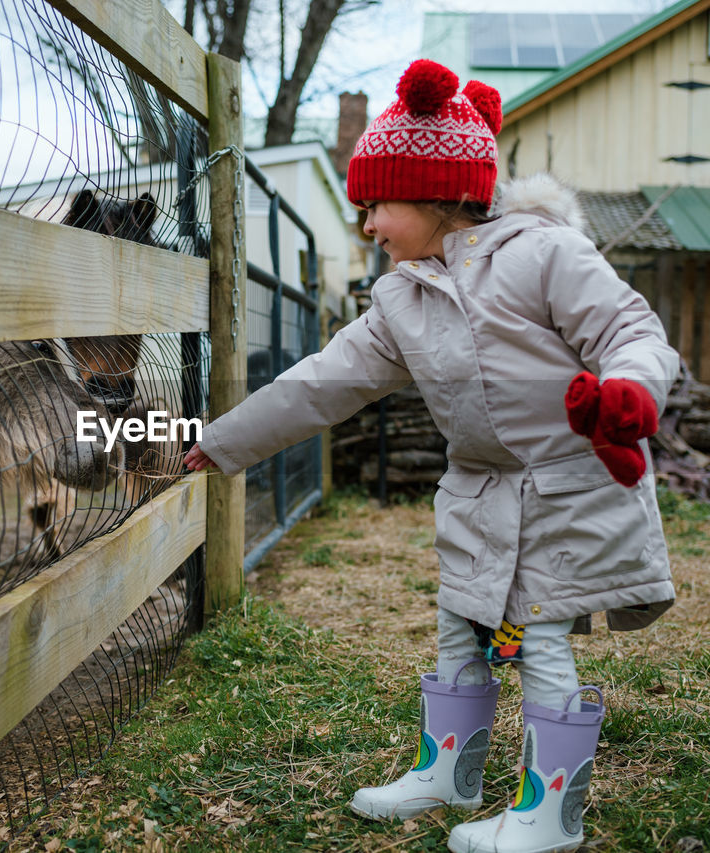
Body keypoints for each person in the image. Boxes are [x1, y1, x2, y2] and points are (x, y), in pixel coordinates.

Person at [184, 58, 679, 853]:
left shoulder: (545, 256)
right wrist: (220, 441)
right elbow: (322, 382)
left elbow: (632, 330)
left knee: (541, 636)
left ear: (434, 193)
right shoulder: (403, 297)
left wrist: (630, 391)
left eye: (376, 203)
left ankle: (551, 815)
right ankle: (449, 773)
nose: (368, 224)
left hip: (570, 483)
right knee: (462, 624)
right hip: (479, 492)